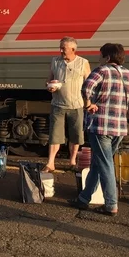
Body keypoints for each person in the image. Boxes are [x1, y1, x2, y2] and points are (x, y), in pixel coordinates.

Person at [68, 43, 129, 216]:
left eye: (100, 56)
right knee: (98, 163)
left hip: (101, 126)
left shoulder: (102, 70)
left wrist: (89, 104)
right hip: (120, 127)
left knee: (105, 164)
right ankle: (84, 198)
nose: (98, 59)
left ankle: (111, 204)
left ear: (107, 58)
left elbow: (86, 88)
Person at [44, 37, 91, 171]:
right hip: (57, 104)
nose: (61, 51)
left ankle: (72, 161)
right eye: (60, 48)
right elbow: (48, 80)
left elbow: (89, 85)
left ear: (73, 49)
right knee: (55, 135)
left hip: (76, 105)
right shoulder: (55, 61)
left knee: (76, 135)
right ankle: (50, 163)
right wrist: (49, 86)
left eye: (63, 48)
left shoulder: (83, 63)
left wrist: (88, 102)